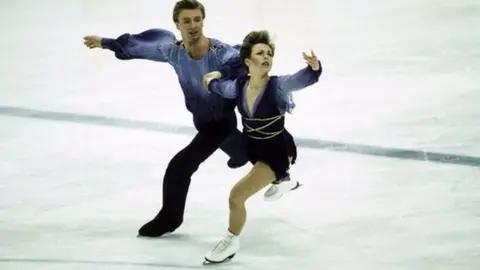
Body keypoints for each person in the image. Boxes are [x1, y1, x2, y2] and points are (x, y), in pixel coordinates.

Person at [82, 0, 250, 238]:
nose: (193, 25)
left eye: (197, 19)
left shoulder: (222, 53)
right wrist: (106, 43)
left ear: (203, 20)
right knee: (236, 147)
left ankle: (170, 218)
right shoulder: (174, 52)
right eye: (186, 21)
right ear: (177, 24)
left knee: (179, 167)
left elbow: (243, 67)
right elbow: (139, 47)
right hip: (202, 121)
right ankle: (243, 153)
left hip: (221, 121)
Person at [202, 30, 322, 263]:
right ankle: (283, 181)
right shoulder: (239, 86)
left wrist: (314, 69)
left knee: (236, 197)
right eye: (260, 53)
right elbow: (220, 87)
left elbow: (302, 79)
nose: (266, 57)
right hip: (254, 149)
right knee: (264, 185)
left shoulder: (278, 86)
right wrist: (212, 81)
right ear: (248, 61)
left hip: (277, 152)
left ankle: (230, 241)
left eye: (269, 53)